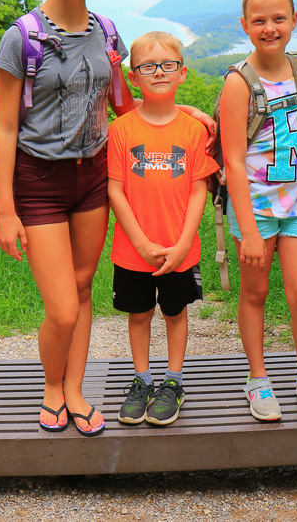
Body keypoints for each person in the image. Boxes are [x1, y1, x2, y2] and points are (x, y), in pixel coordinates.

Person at [0, 0, 211, 436]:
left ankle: (74, 388)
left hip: (91, 176)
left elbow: (121, 103)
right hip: (39, 181)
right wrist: (5, 210)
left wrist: (189, 115)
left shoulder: (105, 31)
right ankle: (51, 386)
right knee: (63, 308)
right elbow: (3, 129)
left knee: (85, 287)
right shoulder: (21, 38)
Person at [219, 0, 297, 422]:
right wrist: (247, 229)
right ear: (246, 25)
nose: (270, 28)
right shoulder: (239, 83)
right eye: (260, 20)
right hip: (256, 209)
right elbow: (232, 158)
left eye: (278, 18)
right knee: (256, 292)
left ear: (294, 20)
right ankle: (258, 379)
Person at [107, 32, 219, 426]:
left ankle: (173, 383)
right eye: (147, 66)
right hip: (131, 250)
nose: (158, 72)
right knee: (138, 315)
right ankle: (141, 380)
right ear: (133, 77)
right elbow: (115, 190)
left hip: (180, 250)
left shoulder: (193, 131)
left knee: (175, 312)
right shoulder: (121, 130)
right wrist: (139, 239)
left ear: (182, 73)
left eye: (167, 64)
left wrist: (184, 242)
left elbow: (198, 190)